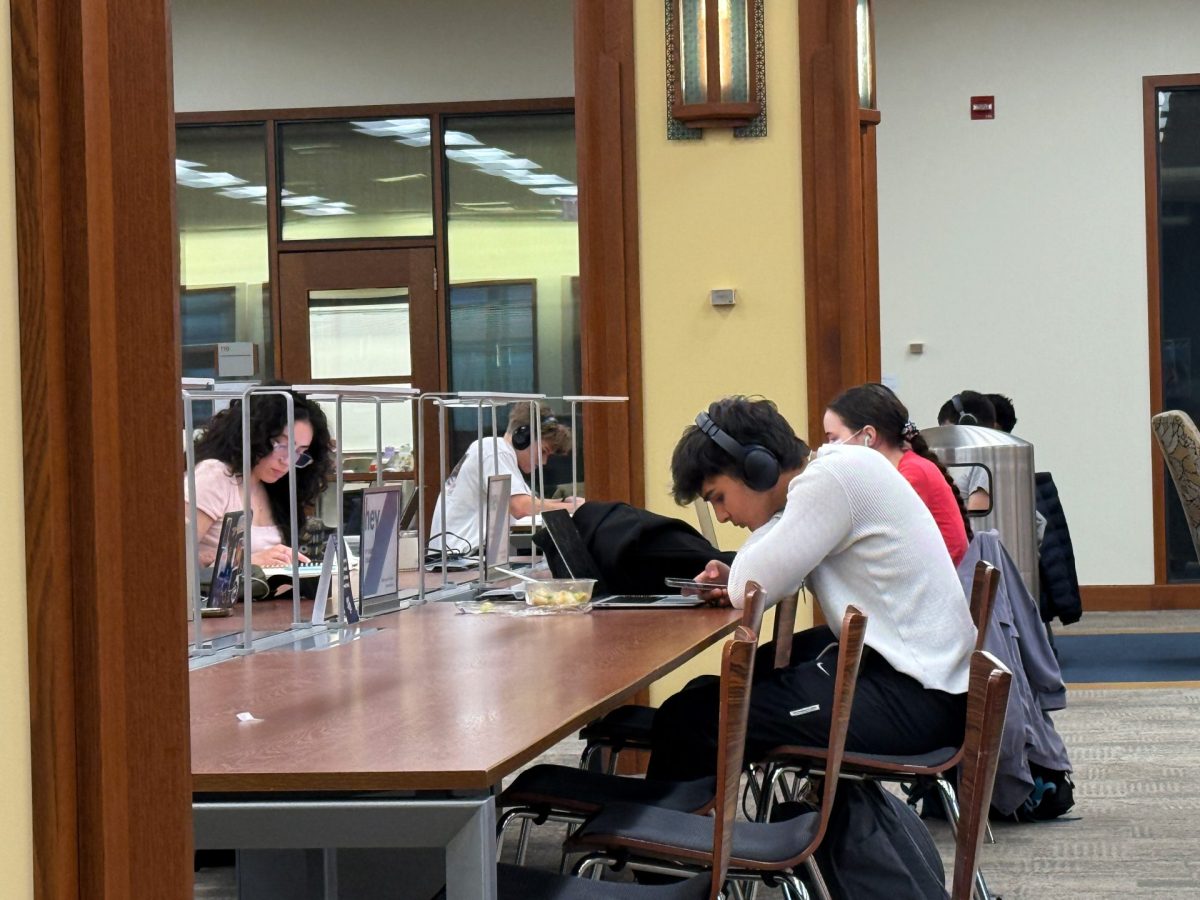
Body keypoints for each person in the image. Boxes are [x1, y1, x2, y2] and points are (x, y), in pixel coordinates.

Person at [647, 396, 975, 782]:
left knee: (693, 720)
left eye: (718, 496)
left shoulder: (832, 478)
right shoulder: (841, 468)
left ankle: (664, 839)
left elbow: (750, 585)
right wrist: (741, 564)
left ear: (758, 468)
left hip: (916, 700)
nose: (721, 515)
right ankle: (685, 834)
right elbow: (764, 570)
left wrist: (739, 569)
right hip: (918, 683)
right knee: (702, 697)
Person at [825, 383, 970, 565]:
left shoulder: (911, 474)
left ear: (869, 436)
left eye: (834, 439)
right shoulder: (895, 471)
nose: (829, 448)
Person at [186, 391, 334, 568]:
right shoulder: (215, 475)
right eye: (282, 445)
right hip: (212, 594)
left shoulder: (274, 487)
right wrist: (244, 562)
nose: (287, 461)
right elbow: (174, 555)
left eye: (300, 452)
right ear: (255, 435)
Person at [428, 402, 584, 556]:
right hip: (461, 560)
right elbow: (521, 507)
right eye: (543, 451)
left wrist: (565, 502)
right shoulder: (495, 451)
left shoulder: (499, 454)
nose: (543, 462)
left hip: (466, 558)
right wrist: (574, 508)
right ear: (522, 437)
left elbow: (530, 503)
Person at [937, 390, 997, 511]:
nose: (945, 442)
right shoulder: (965, 462)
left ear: (967, 424)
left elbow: (976, 520)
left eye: (948, 433)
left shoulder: (984, 464)